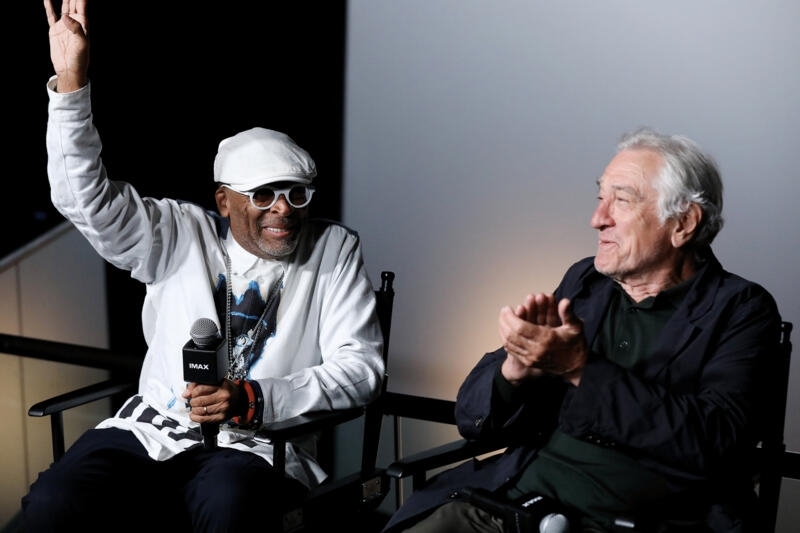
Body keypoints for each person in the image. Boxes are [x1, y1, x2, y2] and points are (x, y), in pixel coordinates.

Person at [21, 1, 385, 531]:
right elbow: (85, 200)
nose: (283, 209)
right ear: (223, 201)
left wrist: (254, 398)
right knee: (53, 502)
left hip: (256, 446)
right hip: (151, 433)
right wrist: (72, 85)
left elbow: (361, 370)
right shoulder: (177, 233)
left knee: (229, 503)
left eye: (296, 194)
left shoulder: (332, 249)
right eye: (263, 194)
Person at [382, 127, 782, 533]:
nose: (597, 219)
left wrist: (579, 368)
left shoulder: (741, 309)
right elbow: (472, 418)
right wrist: (515, 372)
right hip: (508, 506)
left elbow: (716, 443)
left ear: (683, 223)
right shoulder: (586, 282)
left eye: (621, 201)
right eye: (600, 198)